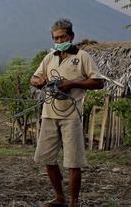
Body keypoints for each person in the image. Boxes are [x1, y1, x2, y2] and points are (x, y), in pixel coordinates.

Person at [30, 18, 104, 207]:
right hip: (49, 114)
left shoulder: (83, 57)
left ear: (71, 36)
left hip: (71, 116)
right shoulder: (50, 57)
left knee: (73, 162)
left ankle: (73, 202)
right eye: (55, 38)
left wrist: (72, 83)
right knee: (47, 158)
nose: (59, 40)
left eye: (62, 36)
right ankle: (59, 197)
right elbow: (35, 77)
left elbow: (98, 82)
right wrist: (38, 81)